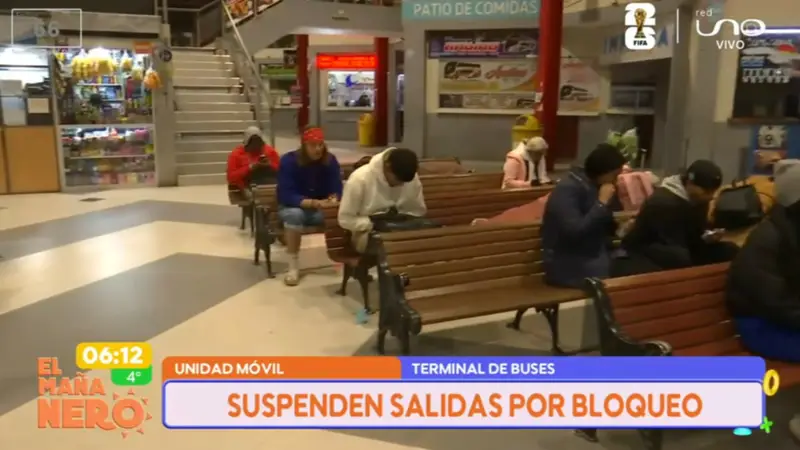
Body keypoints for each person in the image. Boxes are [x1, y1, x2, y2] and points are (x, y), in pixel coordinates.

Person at [726, 164, 800, 441]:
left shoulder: (792, 230)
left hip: (786, 318)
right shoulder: (768, 240)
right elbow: (774, 302)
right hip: (760, 325)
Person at [620, 160, 738, 273]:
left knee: (730, 250)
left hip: (683, 245)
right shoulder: (663, 202)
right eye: (706, 192)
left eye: (713, 192)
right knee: (680, 257)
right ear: (690, 183)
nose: (710, 196)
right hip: (646, 248)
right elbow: (670, 240)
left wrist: (708, 237)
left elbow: (695, 234)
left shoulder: (699, 200)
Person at [540, 143, 628, 288]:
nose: (615, 180)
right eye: (614, 175)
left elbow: (604, 227)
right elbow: (574, 232)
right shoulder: (567, 189)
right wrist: (601, 203)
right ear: (602, 171)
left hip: (593, 254)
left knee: (639, 267)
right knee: (624, 277)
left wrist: (622, 228)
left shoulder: (596, 186)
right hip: (567, 263)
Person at [276, 126, 343, 286]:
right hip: (294, 207)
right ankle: (293, 266)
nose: (318, 149)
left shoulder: (330, 161)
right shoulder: (289, 161)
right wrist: (313, 202)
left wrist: (333, 198)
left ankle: (343, 258)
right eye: (313, 145)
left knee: (343, 214)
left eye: (320, 144)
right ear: (304, 145)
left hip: (320, 210)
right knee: (294, 215)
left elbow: (336, 188)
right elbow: (286, 194)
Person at [338, 147, 426, 253]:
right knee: (388, 245)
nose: (401, 185)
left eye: (404, 182)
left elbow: (418, 211)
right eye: (397, 180)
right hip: (367, 232)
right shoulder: (360, 179)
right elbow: (345, 219)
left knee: (425, 241)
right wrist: (372, 224)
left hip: (402, 228)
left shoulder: (411, 178)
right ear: (387, 167)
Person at [226, 126, 280, 191]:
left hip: (269, 183)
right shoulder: (236, 155)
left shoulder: (270, 151)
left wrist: (270, 165)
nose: (256, 147)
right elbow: (231, 177)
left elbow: (282, 171)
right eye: (253, 144)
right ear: (247, 145)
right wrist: (250, 167)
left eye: (258, 144)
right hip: (245, 186)